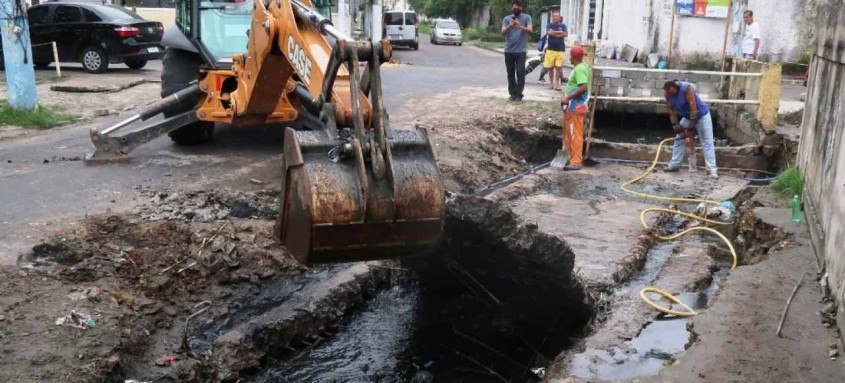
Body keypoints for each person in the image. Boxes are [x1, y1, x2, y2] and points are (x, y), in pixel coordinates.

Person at [662, 80, 719, 179]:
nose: (669, 94)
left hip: (701, 115)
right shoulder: (668, 94)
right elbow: (671, 110)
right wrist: (675, 124)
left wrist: (691, 125)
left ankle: (712, 170)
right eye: (668, 93)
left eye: (671, 93)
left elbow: (693, 107)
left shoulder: (686, 88)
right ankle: (674, 165)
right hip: (687, 116)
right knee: (679, 138)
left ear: (675, 89)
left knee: (706, 141)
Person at [560, 46, 591, 171]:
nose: (570, 58)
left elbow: (583, 87)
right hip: (573, 107)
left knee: (575, 134)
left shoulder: (580, 69)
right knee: (569, 134)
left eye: (571, 56)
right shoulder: (580, 68)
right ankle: (571, 156)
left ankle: (576, 162)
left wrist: (568, 98)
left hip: (576, 107)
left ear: (575, 57)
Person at [501, 0, 533, 102]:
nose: (516, 10)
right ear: (512, 8)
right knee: (510, 73)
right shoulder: (507, 19)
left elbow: (530, 30)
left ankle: (519, 94)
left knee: (520, 73)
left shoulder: (527, 17)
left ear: (521, 8)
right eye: (514, 8)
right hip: (509, 50)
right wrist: (510, 25)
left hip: (521, 50)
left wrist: (519, 26)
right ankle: (512, 93)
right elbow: (502, 33)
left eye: (518, 8)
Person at [544, 12, 568, 91]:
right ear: (552, 17)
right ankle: (551, 83)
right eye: (553, 16)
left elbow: (565, 34)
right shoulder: (549, 25)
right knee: (550, 68)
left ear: (559, 17)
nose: (555, 17)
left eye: (557, 16)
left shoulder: (563, 25)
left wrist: (554, 33)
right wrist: (558, 32)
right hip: (551, 49)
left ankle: (557, 84)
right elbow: (549, 33)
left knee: (558, 67)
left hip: (560, 50)